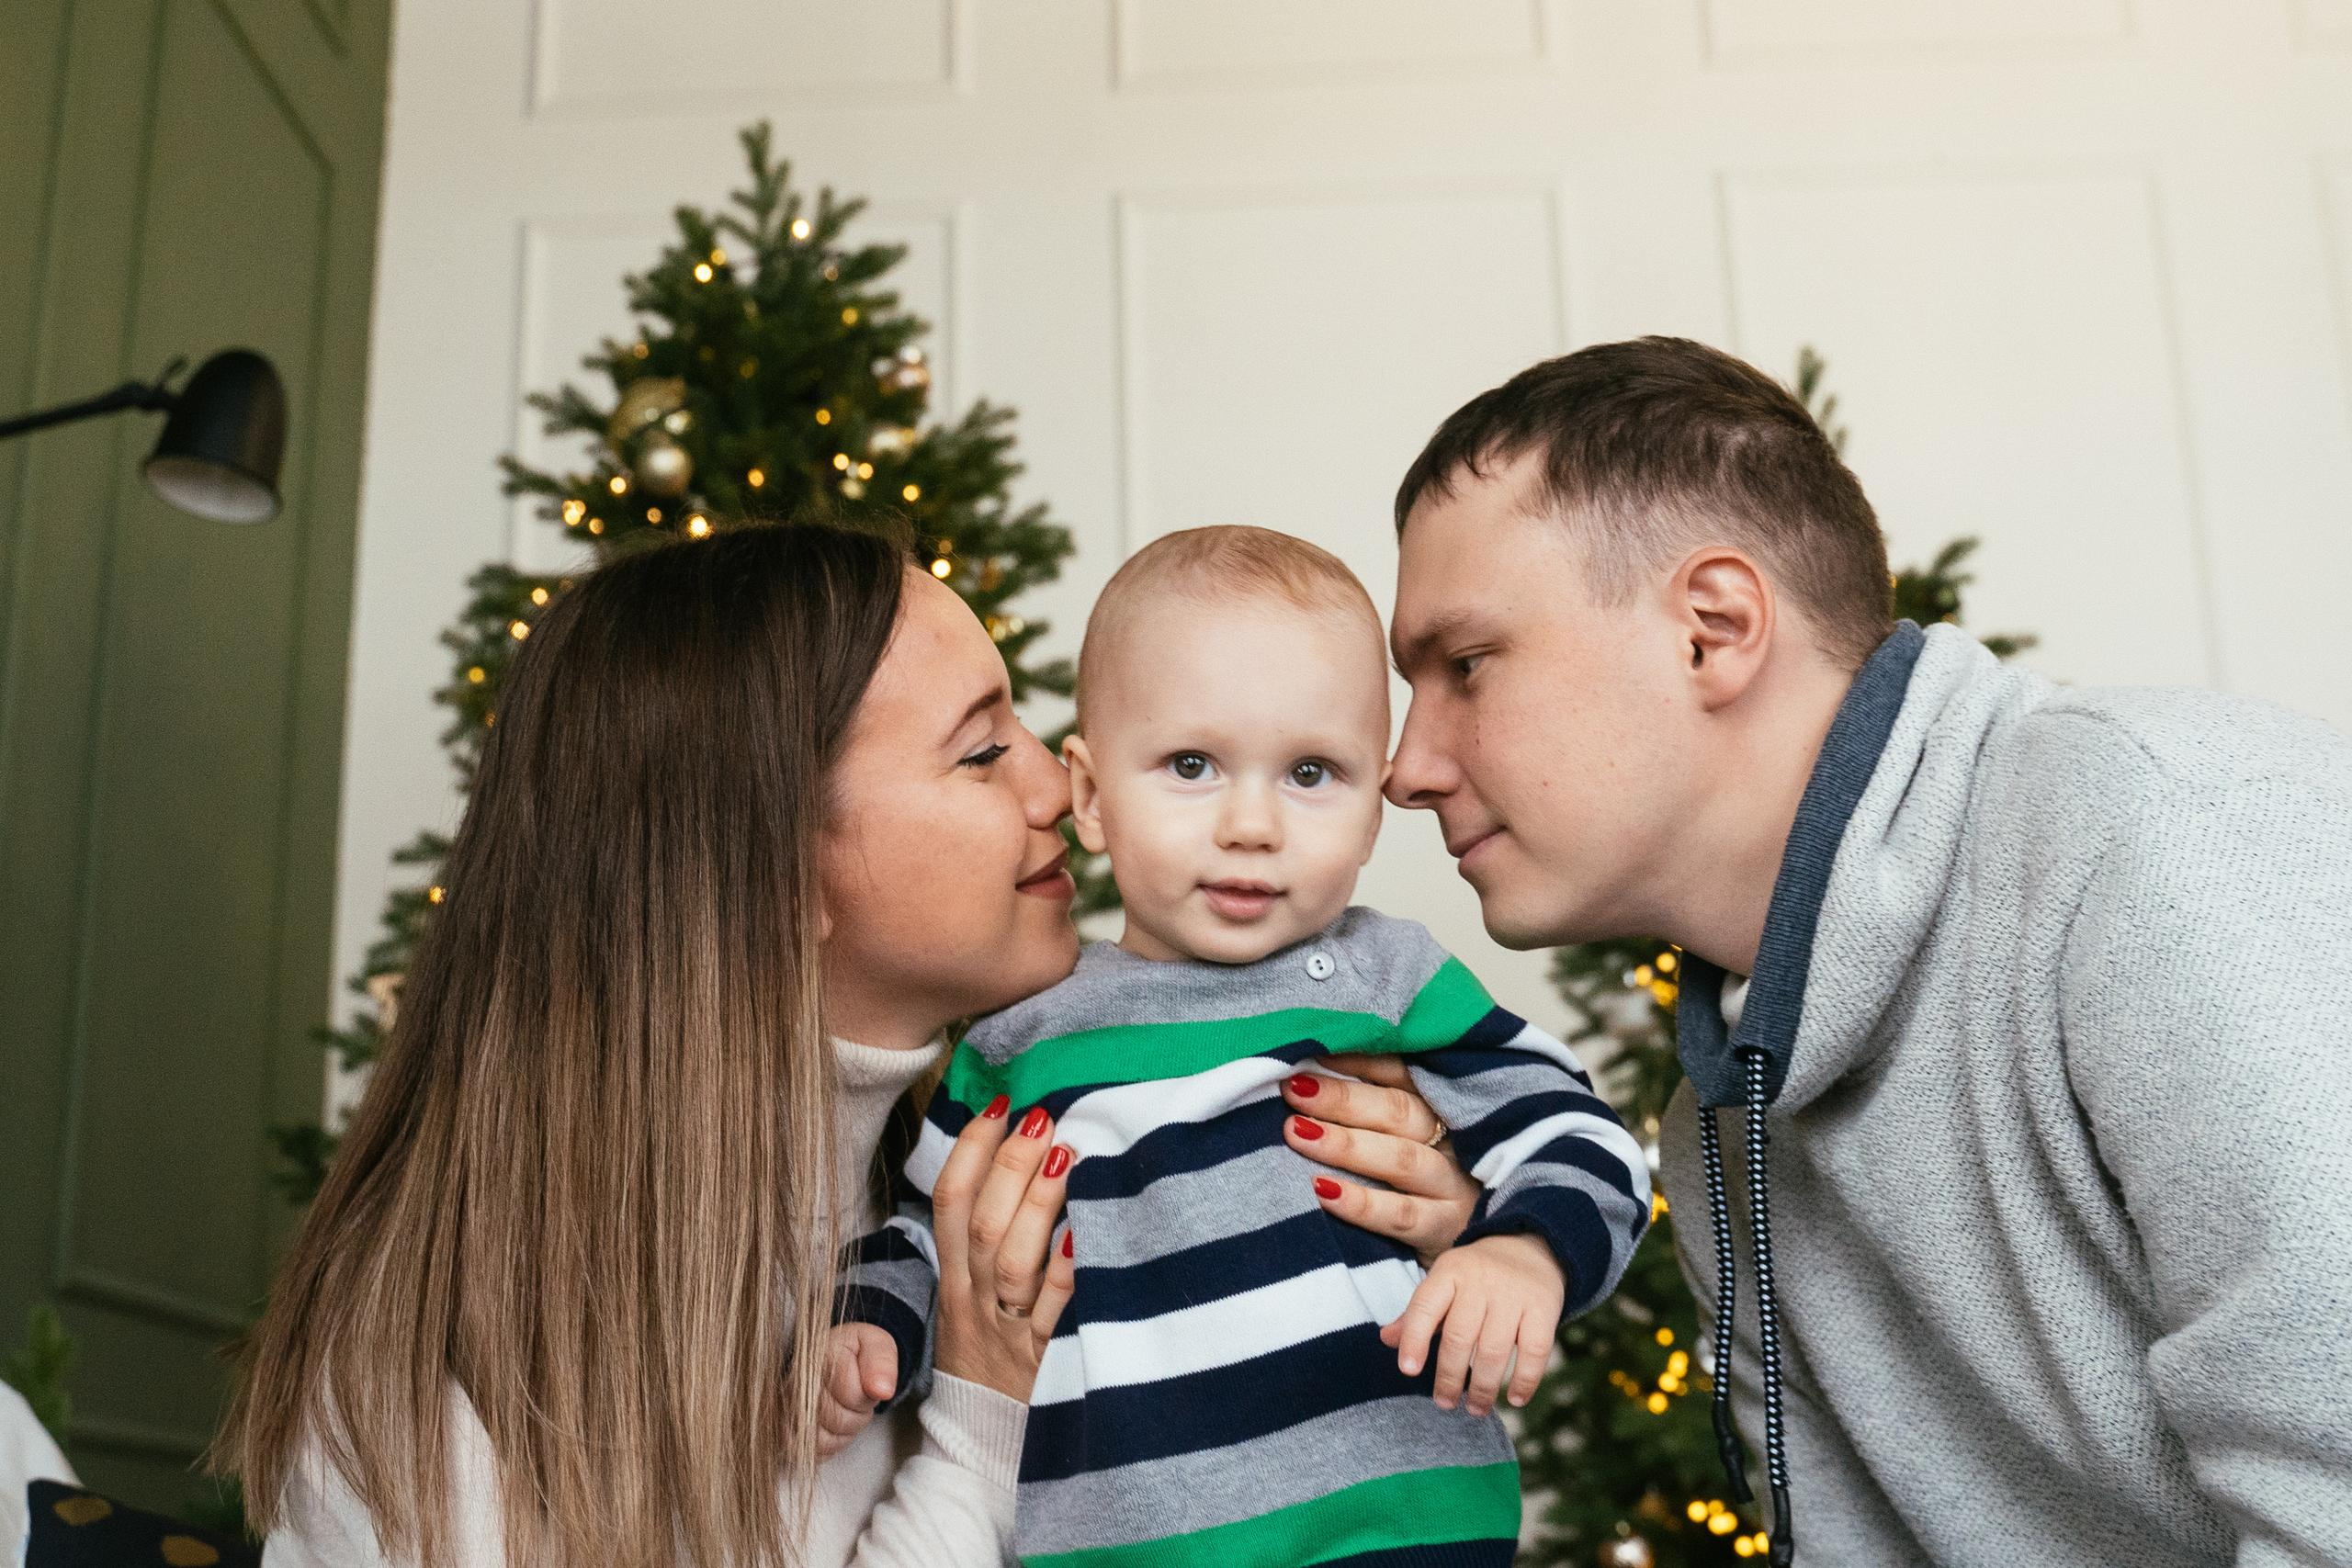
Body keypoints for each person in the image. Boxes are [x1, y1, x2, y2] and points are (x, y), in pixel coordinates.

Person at [215, 521, 1477, 1568]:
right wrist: (979, 1405)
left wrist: (1444, 1203)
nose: (1060, 789)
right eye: (984, 750)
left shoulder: (1016, 1152)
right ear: (775, 871)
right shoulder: (458, 1365)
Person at [1382, 336, 2352, 1566]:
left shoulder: (2158, 830)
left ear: (1713, 628)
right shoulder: (1720, 1118)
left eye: (1465, 665)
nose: (1406, 767)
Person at [826, 526, 1650, 1566]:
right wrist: (870, 1329)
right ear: (1088, 796)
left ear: (1373, 806)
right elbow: (935, 1231)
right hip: (1120, 1547)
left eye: (1310, 772)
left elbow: (1579, 1132)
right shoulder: (1026, 1034)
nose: (1251, 824)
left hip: (1394, 1531)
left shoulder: (1385, 983)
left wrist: (1522, 1251)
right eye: (1192, 766)